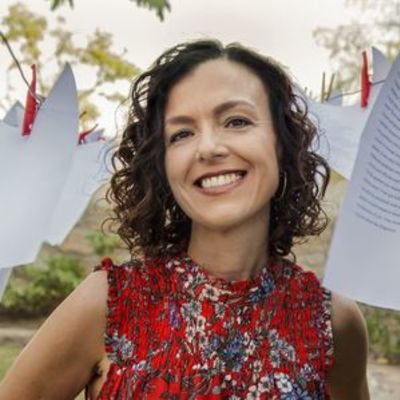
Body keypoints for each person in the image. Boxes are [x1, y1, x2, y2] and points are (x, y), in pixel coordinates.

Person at [0, 39, 369, 399]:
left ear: (282, 142)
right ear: (162, 164)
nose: (208, 147)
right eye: (181, 133)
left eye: (237, 121)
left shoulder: (334, 323)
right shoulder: (108, 304)